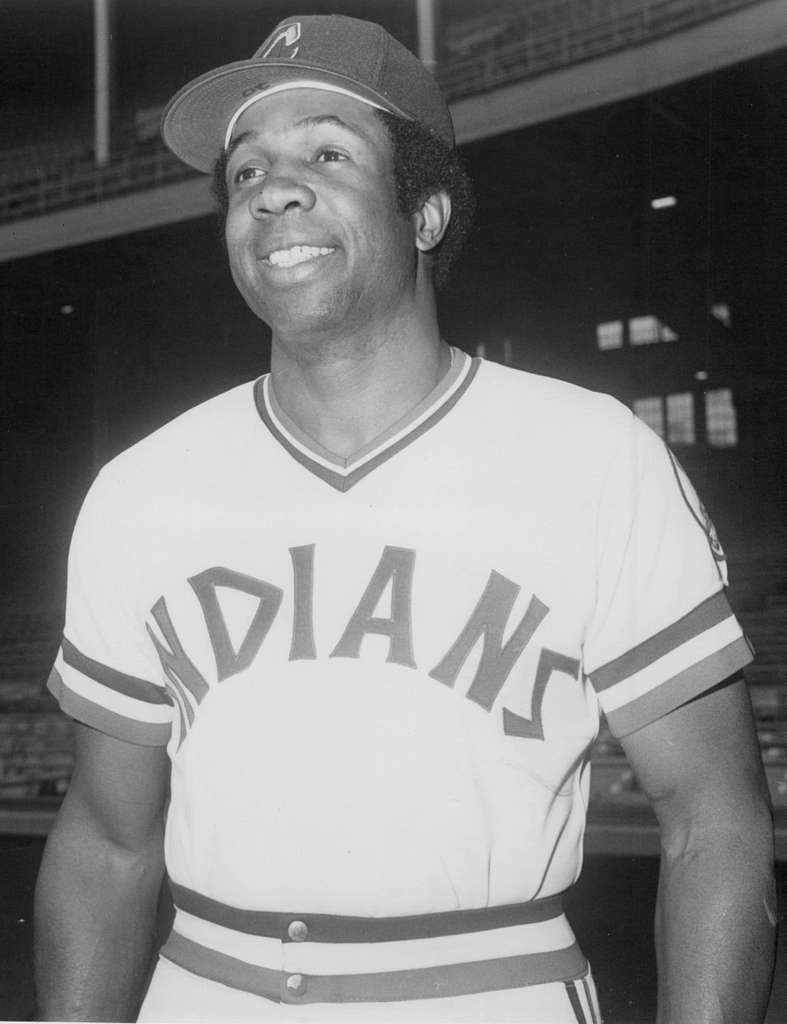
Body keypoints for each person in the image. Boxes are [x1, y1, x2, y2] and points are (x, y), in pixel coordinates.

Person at [34, 13, 776, 1024]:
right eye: (246, 173)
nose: (273, 189)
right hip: (207, 989)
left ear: (425, 214)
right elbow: (106, 838)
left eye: (326, 153)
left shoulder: (595, 457)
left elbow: (711, 823)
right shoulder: (139, 488)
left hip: (489, 991)